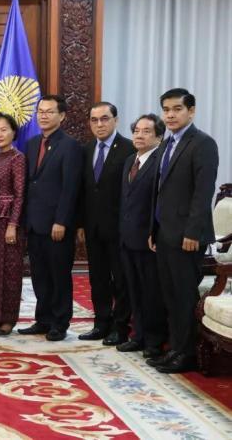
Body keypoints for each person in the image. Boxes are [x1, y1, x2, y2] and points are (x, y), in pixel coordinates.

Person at [148, 88, 218, 373]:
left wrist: (193, 232)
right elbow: (160, 191)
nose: (170, 115)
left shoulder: (203, 144)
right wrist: (153, 229)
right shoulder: (167, 143)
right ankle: (175, 348)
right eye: (166, 110)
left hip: (187, 237)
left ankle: (187, 354)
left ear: (191, 111)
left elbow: (203, 193)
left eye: (177, 109)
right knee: (170, 296)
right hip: (165, 234)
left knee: (184, 295)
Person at [18, 95, 83, 342]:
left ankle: (59, 323)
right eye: (40, 111)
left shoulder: (70, 146)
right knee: (40, 275)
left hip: (57, 224)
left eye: (49, 111)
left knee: (59, 275)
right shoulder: (32, 143)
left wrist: (62, 221)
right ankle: (43, 319)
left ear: (62, 116)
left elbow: (70, 188)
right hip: (34, 223)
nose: (43, 115)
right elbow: (30, 183)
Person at [77, 102, 135, 345]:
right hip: (93, 228)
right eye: (94, 120)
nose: (99, 124)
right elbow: (84, 191)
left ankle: (120, 328)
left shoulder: (129, 149)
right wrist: (81, 224)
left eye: (104, 119)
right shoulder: (87, 149)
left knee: (120, 280)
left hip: (119, 228)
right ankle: (101, 323)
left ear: (115, 120)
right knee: (98, 278)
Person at [117, 114, 167, 359]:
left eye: (146, 131)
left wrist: (153, 231)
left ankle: (154, 341)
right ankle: (138, 336)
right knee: (133, 290)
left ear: (159, 136)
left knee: (151, 292)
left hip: (149, 239)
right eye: (136, 130)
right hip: (127, 237)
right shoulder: (130, 160)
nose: (139, 135)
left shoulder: (161, 161)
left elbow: (160, 201)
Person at [0, 112, 26, 336]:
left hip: (9, 222)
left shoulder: (17, 158)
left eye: (4, 129)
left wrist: (13, 224)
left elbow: (20, 195)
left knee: (10, 271)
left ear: (13, 132)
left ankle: (8, 318)